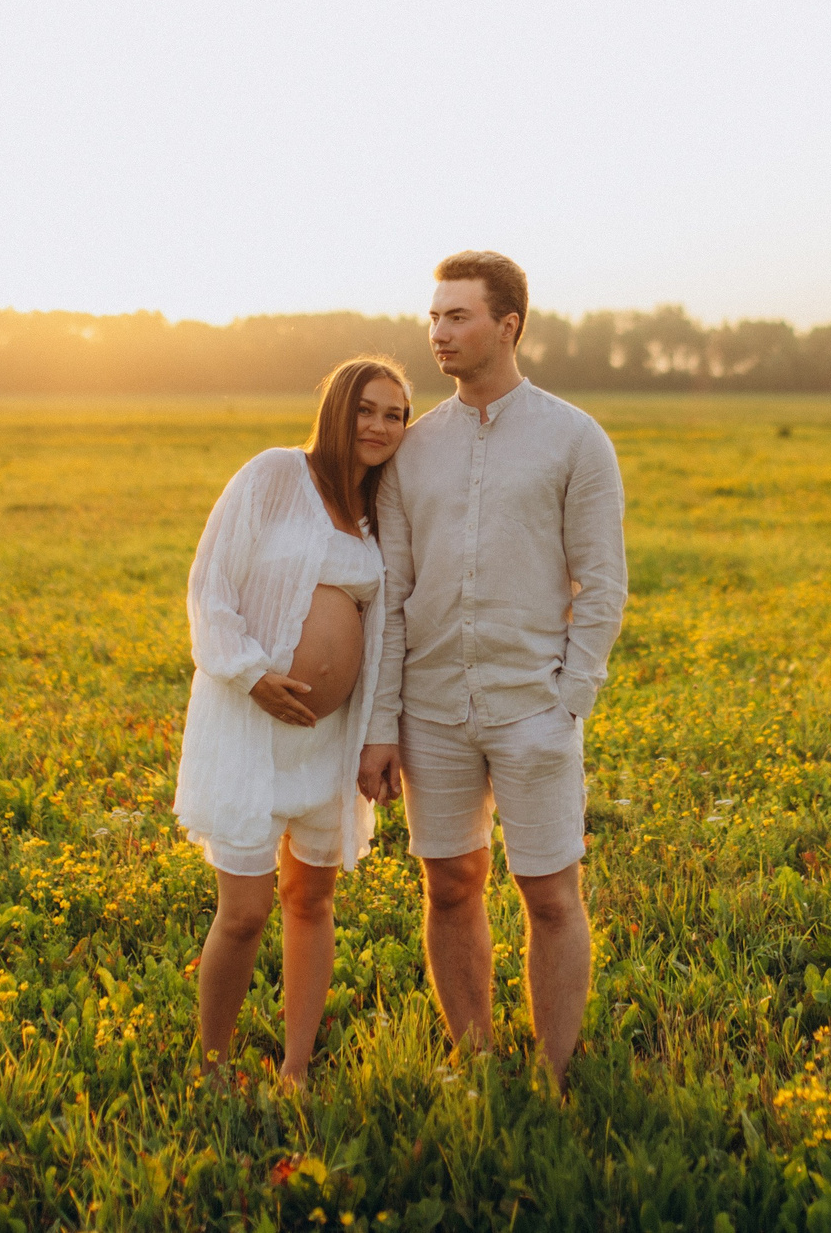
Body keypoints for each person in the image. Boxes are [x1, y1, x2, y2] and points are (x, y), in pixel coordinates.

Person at [356, 251, 627, 1087]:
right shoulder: (412, 448)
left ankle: (555, 1073)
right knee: (449, 887)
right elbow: (393, 593)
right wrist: (380, 725)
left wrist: (567, 700)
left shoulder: (574, 437)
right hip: (431, 712)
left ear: (507, 325)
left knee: (550, 896)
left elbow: (604, 580)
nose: (437, 332)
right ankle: (472, 1059)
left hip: (532, 710)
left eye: (457, 316)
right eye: (433, 316)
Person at [174, 355, 413, 1086]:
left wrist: (379, 729)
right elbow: (208, 586)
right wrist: (250, 675)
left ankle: (296, 1065)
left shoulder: (378, 514)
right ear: (338, 410)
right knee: (244, 911)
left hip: (328, 742)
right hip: (252, 728)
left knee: (312, 899)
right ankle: (212, 1066)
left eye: (396, 414)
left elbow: (387, 632)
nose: (380, 426)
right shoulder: (274, 475)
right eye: (367, 409)